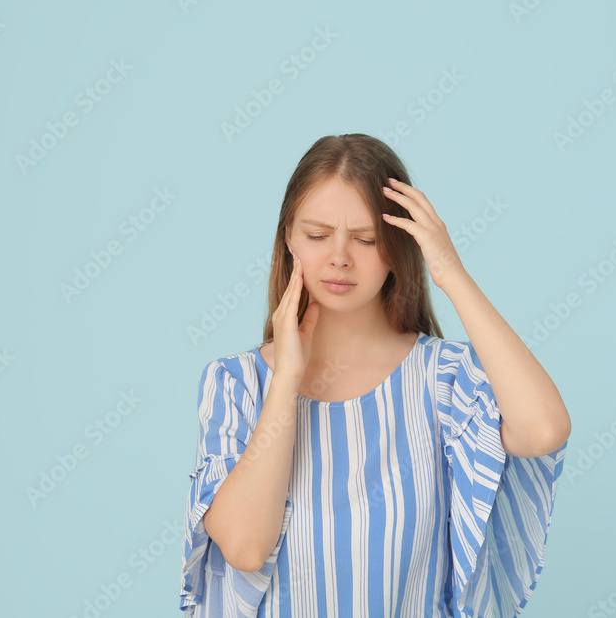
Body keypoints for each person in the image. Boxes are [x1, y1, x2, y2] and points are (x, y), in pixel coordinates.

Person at [179, 134, 572, 617]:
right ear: (288, 239)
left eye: (366, 240)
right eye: (317, 236)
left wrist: (450, 271)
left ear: (398, 247)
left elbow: (544, 430)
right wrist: (285, 382)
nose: (340, 257)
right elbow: (244, 548)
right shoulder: (236, 383)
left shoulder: (445, 379)